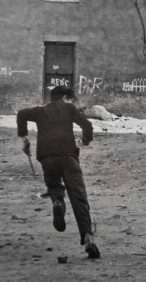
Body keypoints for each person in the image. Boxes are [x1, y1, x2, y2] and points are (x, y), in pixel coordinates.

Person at [17, 86, 100, 259]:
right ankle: (88, 238)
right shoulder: (69, 108)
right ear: (64, 97)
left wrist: (25, 140)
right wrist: (85, 140)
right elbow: (87, 125)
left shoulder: (40, 111)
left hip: (46, 157)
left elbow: (21, 114)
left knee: (54, 186)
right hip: (68, 156)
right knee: (79, 197)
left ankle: (58, 203)